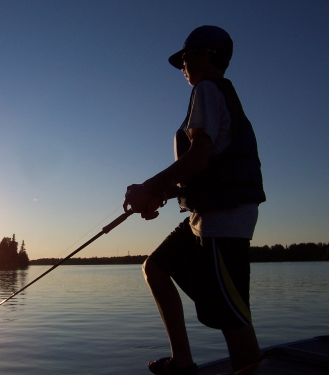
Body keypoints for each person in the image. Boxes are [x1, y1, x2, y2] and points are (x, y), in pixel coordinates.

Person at [123, 26, 266, 375]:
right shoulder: (213, 95)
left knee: (233, 318)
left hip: (224, 220)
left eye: (186, 57)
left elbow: (198, 159)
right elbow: (205, 169)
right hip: (204, 216)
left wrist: (147, 187)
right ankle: (183, 363)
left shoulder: (206, 90)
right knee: (155, 267)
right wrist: (162, 193)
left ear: (206, 56)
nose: (182, 65)